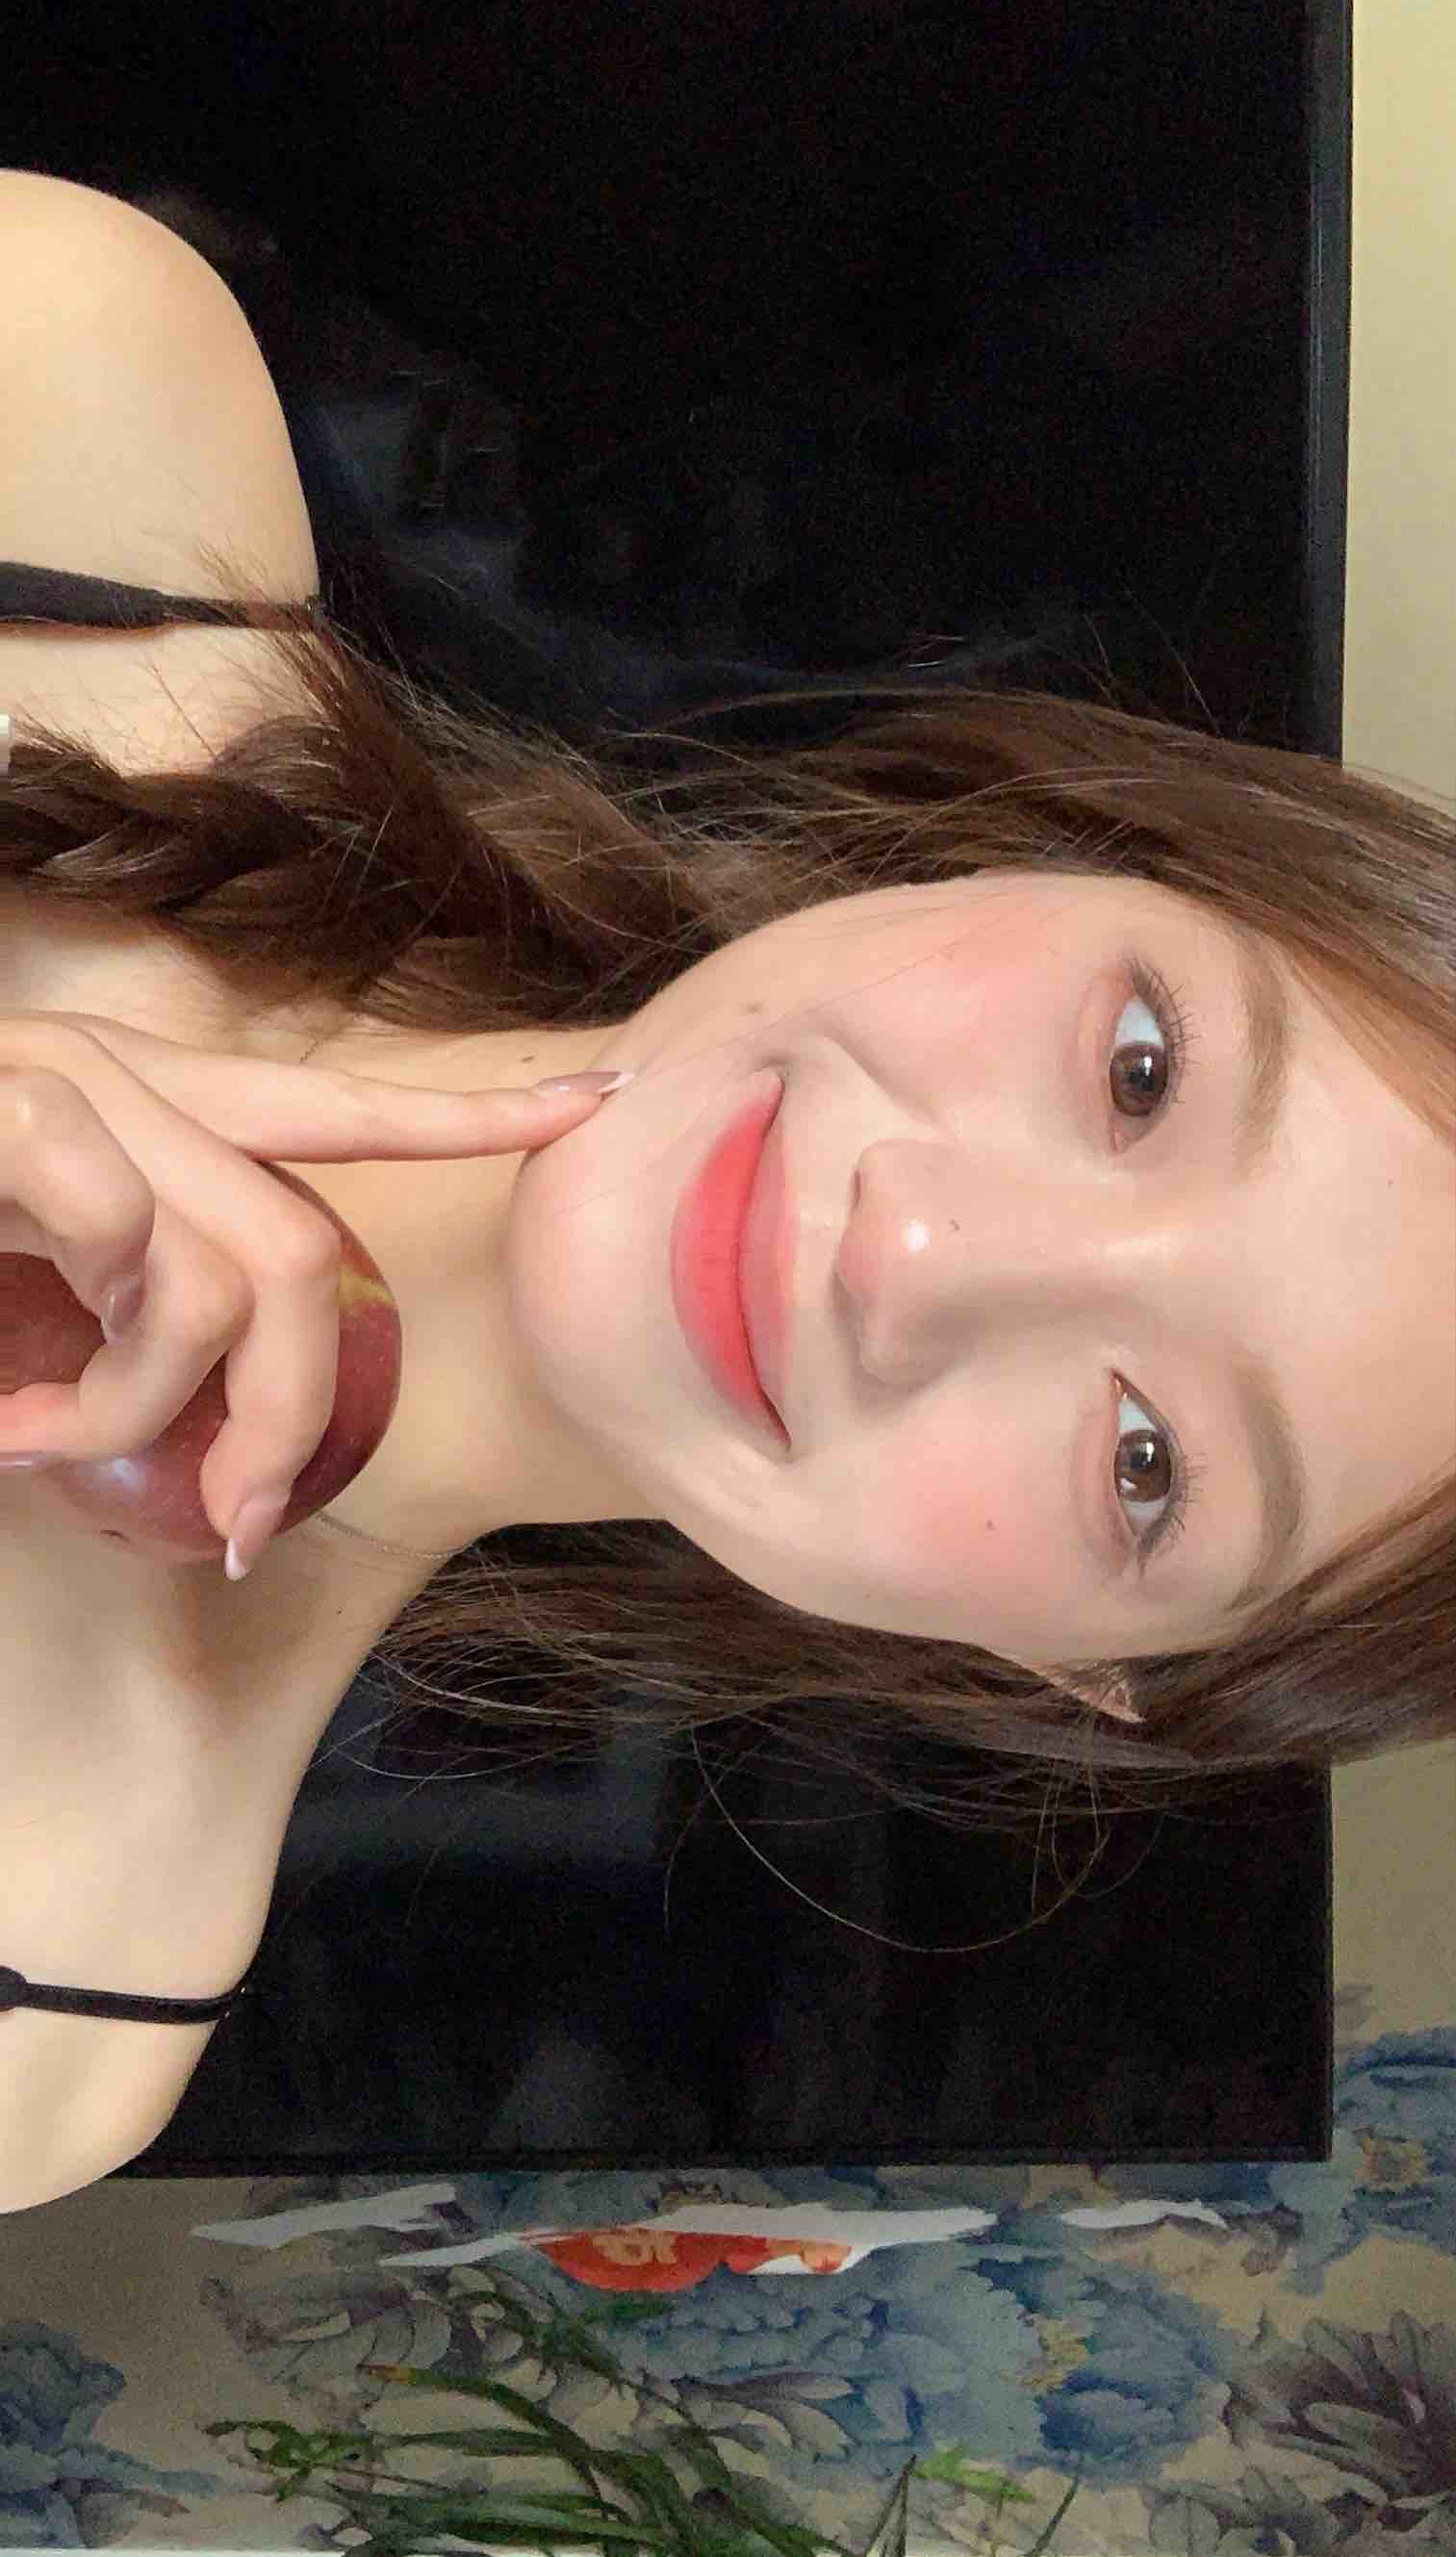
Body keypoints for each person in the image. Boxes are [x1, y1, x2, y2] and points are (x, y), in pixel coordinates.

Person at [1, 533, 1451, 1832]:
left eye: (1146, 1466)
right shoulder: (104, 463)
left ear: (1067, 1669)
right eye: (1141, 1072)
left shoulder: (63, 1971)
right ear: (1056, 858)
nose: (916, 1253)